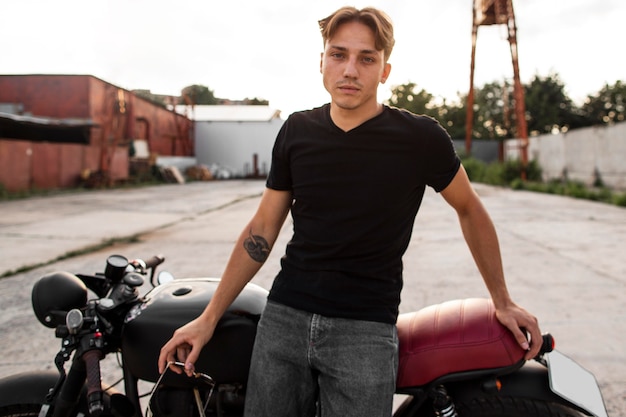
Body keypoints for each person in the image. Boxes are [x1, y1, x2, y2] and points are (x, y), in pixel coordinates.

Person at [159, 6, 542, 416]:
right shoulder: (296, 131)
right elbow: (263, 228)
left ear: (385, 70)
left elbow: (470, 209)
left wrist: (502, 300)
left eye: (366, 58)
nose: (350, 70)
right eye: (338, 55)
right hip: (284, 320)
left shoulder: (420, 138)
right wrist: (210, 316)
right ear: (321, 62)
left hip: (365, 331)